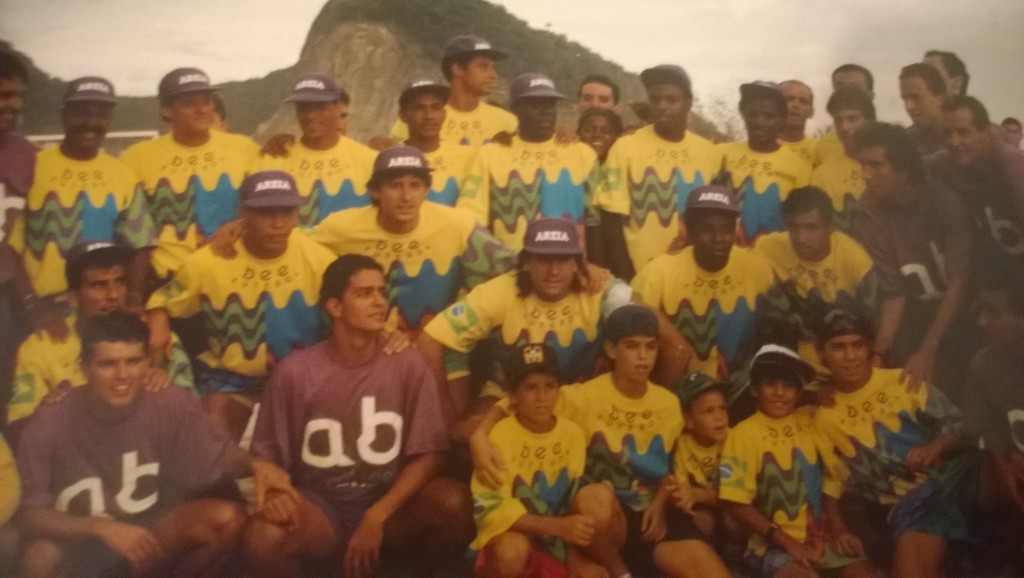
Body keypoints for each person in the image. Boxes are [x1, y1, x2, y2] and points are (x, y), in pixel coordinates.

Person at [242, 254, 472, 578]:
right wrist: (277, 495)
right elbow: (266, 456)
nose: (379, 302)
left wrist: (376, 516)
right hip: (322, 507)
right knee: (264, 537)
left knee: (453, 502)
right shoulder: (295, 372)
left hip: (388, 505)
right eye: (364, 294)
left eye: (381, 292)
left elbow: (430, 455)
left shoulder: (407, 363)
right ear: (335, 307)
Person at [472, 305, 730, 578]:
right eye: (632, 346)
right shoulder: (581, 397)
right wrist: (480, 433)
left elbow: (673, 465)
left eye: (650, 347)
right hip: (602, 523)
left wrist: (663, 498)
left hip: (653, 516)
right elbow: (516, 401)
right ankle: (619, 571)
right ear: (610, 349)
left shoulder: (669, 405)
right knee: (594, 498)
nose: (642, 356)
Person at [15, 312, 248, 578]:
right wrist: (100, 527)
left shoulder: (167, 401)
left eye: (134, 361)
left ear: (148, 363)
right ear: (84, 367)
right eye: (108, 364)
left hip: (150, 529)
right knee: (39, 557)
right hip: (82, 543)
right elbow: (29, 516)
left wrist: (259, 466)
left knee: (224, 519)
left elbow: (216, 459)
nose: (122, 375)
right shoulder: (50, 419)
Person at [419, 217, 687, 427]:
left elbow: (678, 349)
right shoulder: (500, 291)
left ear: (577, 262)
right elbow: (430, 339)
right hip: (510, 399)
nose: (554, 270)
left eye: (563, 259)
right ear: (526, 262)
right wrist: (447, 416)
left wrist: (648, 407)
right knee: (472, 432)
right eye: (544, 259)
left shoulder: (603, 291)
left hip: (586, 401)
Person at [146, 171, 336, 440]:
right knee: (211, 449)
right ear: (243, 212)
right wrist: (158, 319)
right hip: (231, 380)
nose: (278, 223)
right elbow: (163, 301)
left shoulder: (320, 258)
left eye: (287, 211)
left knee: (323, 441)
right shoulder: (207, 262)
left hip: (302, 377)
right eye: (265, 212)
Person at [812, 307, 984, 578]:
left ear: (869, 347)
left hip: (954, 478)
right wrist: (838, 528)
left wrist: (934, 447)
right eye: (838, 347)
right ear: (821, 353)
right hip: (913, 505)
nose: (851, 356)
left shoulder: (902, 380)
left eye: (858, 345)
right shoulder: (825, 416)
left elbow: (962, 426)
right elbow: (833, 481)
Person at [312, 146, 516, 339]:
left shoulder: (459, 225)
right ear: (375, 191)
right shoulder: (342, 227)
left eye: (415, 185)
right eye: (395, 186)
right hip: (368, 343)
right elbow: (296, 242)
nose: (407, 197)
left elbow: (510, 271)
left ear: (427, 190)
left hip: (438, 343)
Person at [720, 344, 879, 578]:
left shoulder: (810, 418)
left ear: (799, 392)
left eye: (789, 386)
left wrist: (839, 530)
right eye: (770, 384)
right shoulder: (742, 433)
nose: (780, 393)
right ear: (755, 389)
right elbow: (737, 502)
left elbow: (832, 477)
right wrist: (790, 544)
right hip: (772, 545)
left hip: (823, 537)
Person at [8, 241, 193, 440]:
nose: (113, 295)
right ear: (73, 298)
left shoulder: (154, 333)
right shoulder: (39, 346)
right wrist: (49, 411)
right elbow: (16, 432)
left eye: (119, 282)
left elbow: (191, 414)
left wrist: (163, 387)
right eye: (99, 285)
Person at [631, 184, 786, 421]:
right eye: (707, 229)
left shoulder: (756, 268)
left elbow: (776, 329)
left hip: (742, 393)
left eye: (726, 229)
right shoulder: (658, 272)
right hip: (681, 399)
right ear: (689, 230)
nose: (718, 238)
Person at [851, 122, 974, 398]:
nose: (865, 175)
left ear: (903, 169)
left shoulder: (943, 203)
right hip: (919, 311)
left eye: (876, 165)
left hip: (968, 312)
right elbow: (895, 292)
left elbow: (959, 283)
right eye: (862, 165)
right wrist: (879, 353)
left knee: (949, 380)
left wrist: (928, 349)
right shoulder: (869, 207)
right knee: (898, 379)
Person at [8, 77, 156, 304]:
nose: (91, 122)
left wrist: (133, 299)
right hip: (42, 307)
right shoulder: (30, 166)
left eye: (101, 115)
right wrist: (31, 305)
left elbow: (140, 245)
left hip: (102, 306)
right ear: (64, 116)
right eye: (82, 113)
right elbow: (9, 245)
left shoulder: (123, 175)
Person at [120, 67, 259, 282]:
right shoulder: (136, 158)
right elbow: (132, 230)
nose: (201, 109)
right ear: (166, 110)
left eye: (206, 101)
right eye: (189, 103)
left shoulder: (245, 148)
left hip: (232, 273)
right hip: (169, 278)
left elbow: (266, 206)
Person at [471, 343, 590, 578]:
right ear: (513, 395)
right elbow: (492, 509)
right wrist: (557, 527)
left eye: (549, 386)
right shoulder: (499, 435)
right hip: (517, 540)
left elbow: (573, 502)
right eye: (531, 388)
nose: (542, 397)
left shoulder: (572, 434)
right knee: (512, 550)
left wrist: (576, 556)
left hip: (559, 544)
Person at [596, 64, 723, 280]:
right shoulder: (624, 147)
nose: (661, 106)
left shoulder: (710, 153)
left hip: (695, 276)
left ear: (688, 103)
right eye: (655, 99)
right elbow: (611, 221)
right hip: (640, 273)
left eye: (671, 100)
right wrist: (627, 277)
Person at [457, 73, 602, 257]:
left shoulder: (583, 154)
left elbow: (594, 221)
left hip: (568, 269)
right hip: (511, 269)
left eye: (550, 105)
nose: (546, 111)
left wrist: (593, 267)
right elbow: (473, 219)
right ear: (516, 109)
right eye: (535, 104)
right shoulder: (492, 153)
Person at [755, 186, 877, 380]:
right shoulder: (768, 247)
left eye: (811, 228)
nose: (801, 238)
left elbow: (871, 328)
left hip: (843, 370)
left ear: (830, 227)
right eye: (793, 227)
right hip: (795, 368)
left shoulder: (855, 261)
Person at [253, 73, 376, 225]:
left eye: (319, 107)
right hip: (295, 248)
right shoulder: (273, 159)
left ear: (337, 107)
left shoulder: (370, 161)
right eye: (303, 108)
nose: (310, 115)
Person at [935, 96, 1024, 275]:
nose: (954, 142)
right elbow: (910, 167)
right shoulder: (946, 163)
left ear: (984, 132)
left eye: (963, 132)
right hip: (1001, 267)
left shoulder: (1013, 168)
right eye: (947, 133)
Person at [962, 270, 1024, 515]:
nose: (981, 322)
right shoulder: (983, 364)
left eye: (993, 312)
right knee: (983, 489)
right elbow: (988, 431)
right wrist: (1005, 464)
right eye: (980, 311)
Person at [720, 82, 812, 245]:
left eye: (769, 116)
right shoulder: (722, 154)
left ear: (782, 121)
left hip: (774, 257)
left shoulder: (798, 166)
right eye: (753, 114)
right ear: (744, 114)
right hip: (725, 254)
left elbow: (802, 218)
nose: (759, 122)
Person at [388, 35, 516, 149]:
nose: (493, 74)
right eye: (483, 66)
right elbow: (391, 154)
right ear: (457, 69)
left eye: (492, 67)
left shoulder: (506, 122)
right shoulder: (420, 118)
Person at [0, 49, 37, 414]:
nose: (13, 104)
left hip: (9, 295)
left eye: (17, 95)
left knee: (11, 394)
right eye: (4, 94)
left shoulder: (25, 153)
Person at [396, 78, 478, 206]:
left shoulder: (469, 157)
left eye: (436, 107)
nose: (429, 115)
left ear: (444, 114)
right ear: (403, 116)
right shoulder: (391, 158)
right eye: (419, 108)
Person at [669, 374, 730, 542]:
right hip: (700, 506)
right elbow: (683, 491)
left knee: (734, 521)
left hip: (729, 502)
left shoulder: (733, 440)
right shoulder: (681, 444)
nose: (719, 417)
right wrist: (688, 497)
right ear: (688, 420)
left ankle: (735, 557)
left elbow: (736, 496)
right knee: (702, 521)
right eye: (709, 411)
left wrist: (699, 495)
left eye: (723, 408)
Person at [809, 87, 875, 236]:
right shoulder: (823, 174)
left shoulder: (887, 164)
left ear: (869, 120)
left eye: (852, 119)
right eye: (838, 120)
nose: (844, 127)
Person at [815, 64, 875, 167]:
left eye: (855, 87)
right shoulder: (822, 146)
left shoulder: (890, 142)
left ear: (870, 96)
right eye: (840, 87)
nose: (847, 92)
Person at [899, 63, 947, 162]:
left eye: (916, 97)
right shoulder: (903, 142)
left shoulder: (969, 135)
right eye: (905, 99)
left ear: (940, 99)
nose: (909, 106)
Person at [778, 80, 816, 166]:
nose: (795, 105)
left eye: (803, 101)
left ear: (811, 112)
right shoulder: (760, 147)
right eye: (789, 99)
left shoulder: (818, 151)